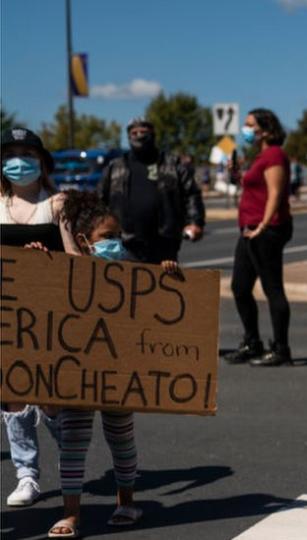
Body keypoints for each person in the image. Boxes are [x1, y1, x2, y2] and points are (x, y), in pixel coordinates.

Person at [42, 189, 183, 538]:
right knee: (74, 441)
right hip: (79, 371)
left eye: (118, 236)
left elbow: (154, 305)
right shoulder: (67, 270)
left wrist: (167, 274)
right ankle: (71, 514)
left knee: (121, 439)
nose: (115, 243)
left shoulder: (130, 271)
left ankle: (126, 502)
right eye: (107, 237)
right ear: (83, 241)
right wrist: (37, 257)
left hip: (118, 371)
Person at [0, 128, 69, 508]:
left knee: (51, 394)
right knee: (12, 393)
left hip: (50, 312)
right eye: (11, 153)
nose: (19, 160)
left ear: (42, 161)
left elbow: (79, 262)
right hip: (7, 314)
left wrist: (48, 257)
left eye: (27, 152)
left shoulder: (57, 204)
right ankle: (26, 474)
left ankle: (69, 462)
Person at [222, 109, 293, 367]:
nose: (246, 129)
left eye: (250, 125)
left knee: (273, 289)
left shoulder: (274, 155)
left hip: (267, 230)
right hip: (249, 229)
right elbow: (252, 188)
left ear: (265, 129)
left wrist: (263, 225)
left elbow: (275, 193)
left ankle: (281, 348)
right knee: (240, 288)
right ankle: (252, 342)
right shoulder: (260, 156)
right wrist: (237, 175)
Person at [98, 118, 204, 263]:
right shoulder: (114, 167)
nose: (139, 135)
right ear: (128, 136)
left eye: (143, 131)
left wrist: (195, 222)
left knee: (164, 284)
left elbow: (191, 193)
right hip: (124, 242)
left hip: (164, 242)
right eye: (134, 132)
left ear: (153, 134)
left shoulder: (172, 164)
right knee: (128, 284)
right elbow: (99, 200)